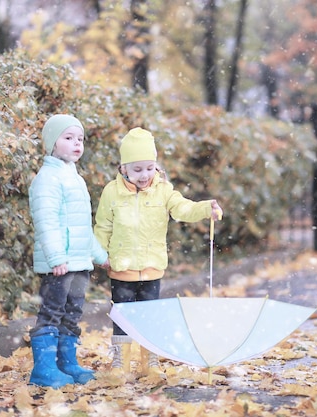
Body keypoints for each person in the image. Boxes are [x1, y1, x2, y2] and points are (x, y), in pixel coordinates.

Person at [94, 127, 223, 378]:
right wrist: (101, 254)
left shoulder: (164, 190)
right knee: (123, 316)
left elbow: (182, 209)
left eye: (149, 168)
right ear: (124, 169)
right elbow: (103, 225)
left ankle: (148, 363)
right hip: (122, 267)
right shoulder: (112, 191)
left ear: (156, 166)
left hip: (152, 267)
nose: (145, 175)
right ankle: (120, 364)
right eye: (137, 169)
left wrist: (206, 208)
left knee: (150, 316)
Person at [28, 114, 109, 389]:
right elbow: (46, 221)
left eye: (80, 139)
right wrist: (56, 257)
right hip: (59, 265)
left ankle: (67, 363)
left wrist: (99, 256)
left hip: (79, 263)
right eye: (68, 138)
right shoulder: (47, 179)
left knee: (72, 313)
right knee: (52, 311)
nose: (77, 143)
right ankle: (44, 369)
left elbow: (82, 227)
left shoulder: (76, 179)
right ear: (52, 144)